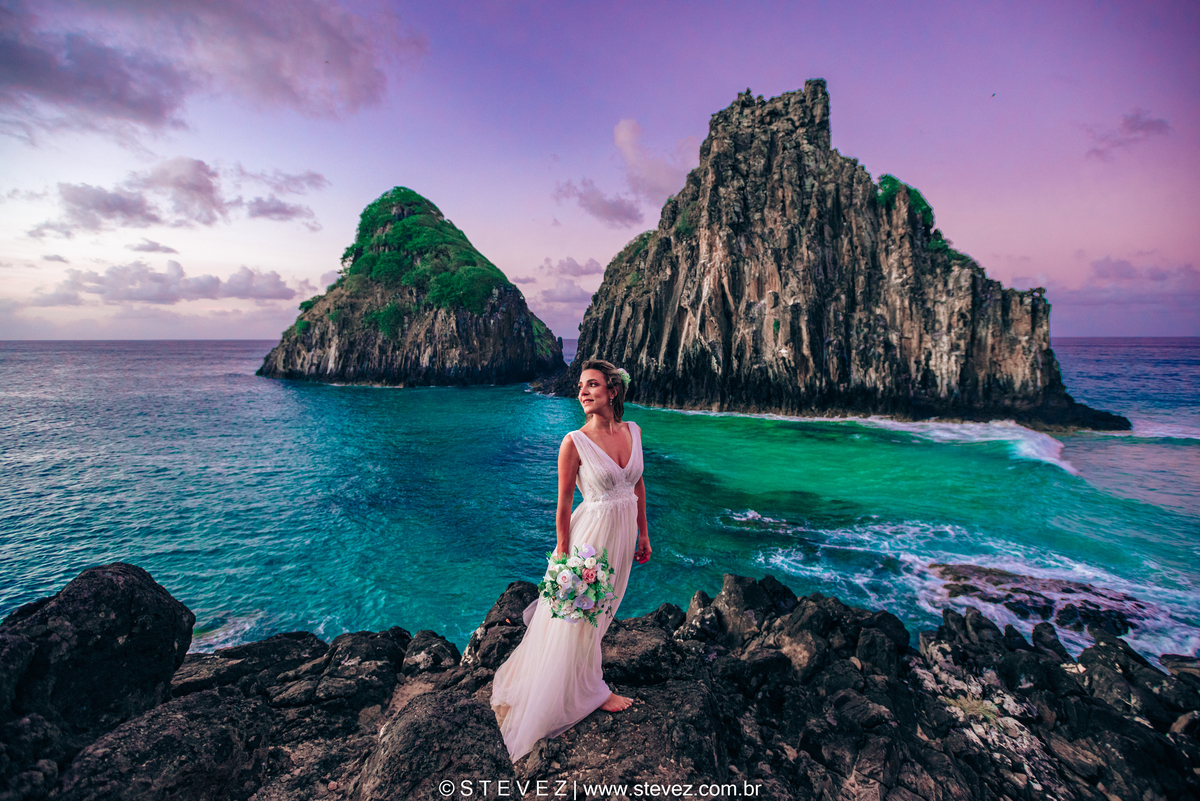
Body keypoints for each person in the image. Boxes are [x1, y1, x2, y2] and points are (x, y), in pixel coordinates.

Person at [490, 358, 652, 763]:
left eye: (593, 385)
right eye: (581, 385)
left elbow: (638, 483)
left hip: (622, 534)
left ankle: (581, 681)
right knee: (578, 617)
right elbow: (562, 506)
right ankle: (589, 691)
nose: (583, 391)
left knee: (602, 614)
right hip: (590, 541)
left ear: (613, 391)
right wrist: (563, 555)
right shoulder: (573, 442)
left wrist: (644, 532)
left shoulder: (633, 431)